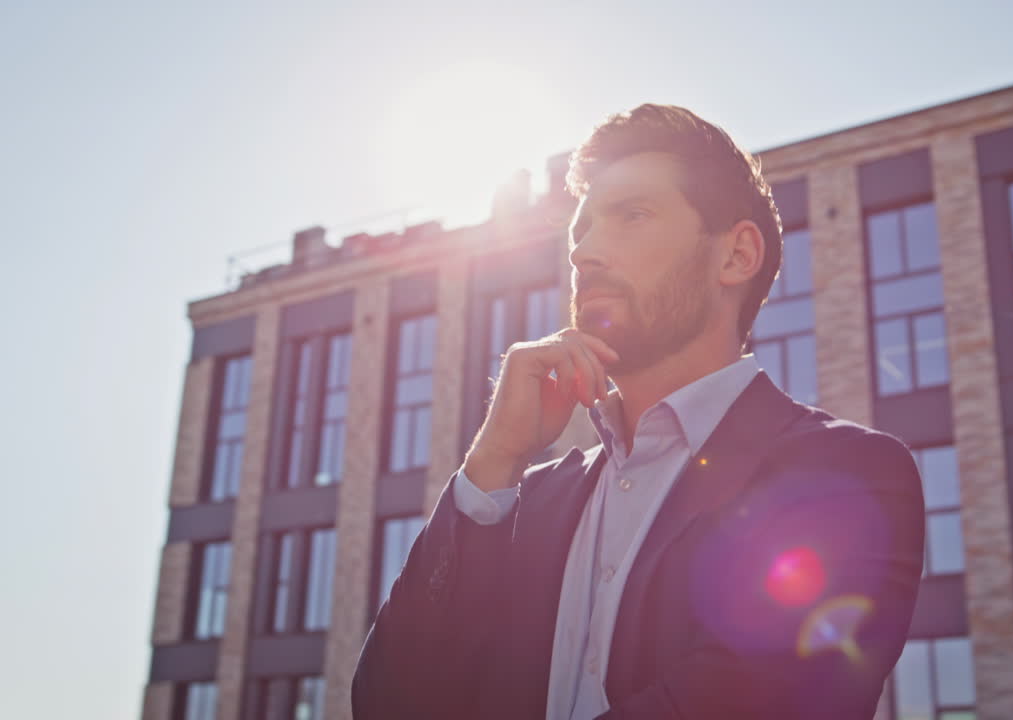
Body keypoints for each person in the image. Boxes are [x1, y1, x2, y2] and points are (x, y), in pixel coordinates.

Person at [351, 104, 924, 719]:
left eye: (632, 216)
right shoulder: (523, 502)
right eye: (580, 233)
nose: (584, 254)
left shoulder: (848, 475)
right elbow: (388, 703)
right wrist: (492, 462)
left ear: (736, 256)